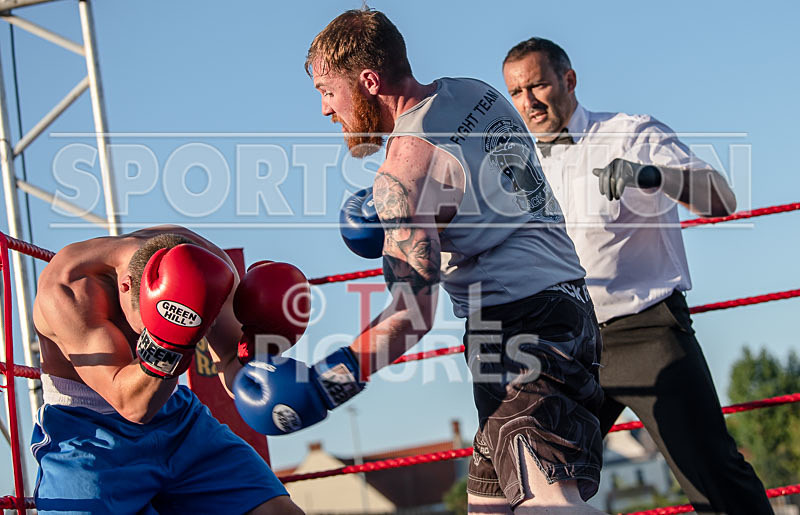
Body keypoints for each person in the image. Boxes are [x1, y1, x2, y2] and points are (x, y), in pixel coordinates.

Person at [233, 8, 606, 514]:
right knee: (488, 505)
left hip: (520, 325)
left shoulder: (401, 174)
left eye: (327, 90)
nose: (325, 109)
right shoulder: (474, 93)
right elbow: (481, 193)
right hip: (571, 309)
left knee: (549, 504)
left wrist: (324, 386)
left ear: (368, 81)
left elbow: (413, 316)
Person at [501, 37, 773, 514]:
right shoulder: (519, 166)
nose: (528, 102)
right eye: (517, 92)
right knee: (528, 485)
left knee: (712, 477)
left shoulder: (629, 132)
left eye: (538, 85)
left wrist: (652, 176)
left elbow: (721, 199)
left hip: (645, 332)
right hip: (568, 347)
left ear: (569, 80)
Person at [31, 225, 303, 514]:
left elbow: (230, 362)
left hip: (176, 421)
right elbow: (132, 406)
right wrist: (173, 341)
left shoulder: (207, 264)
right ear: (126, 285)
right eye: (149, 326)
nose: (149, 333)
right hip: (87, 435)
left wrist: (262, 357)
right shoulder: (68, 287)